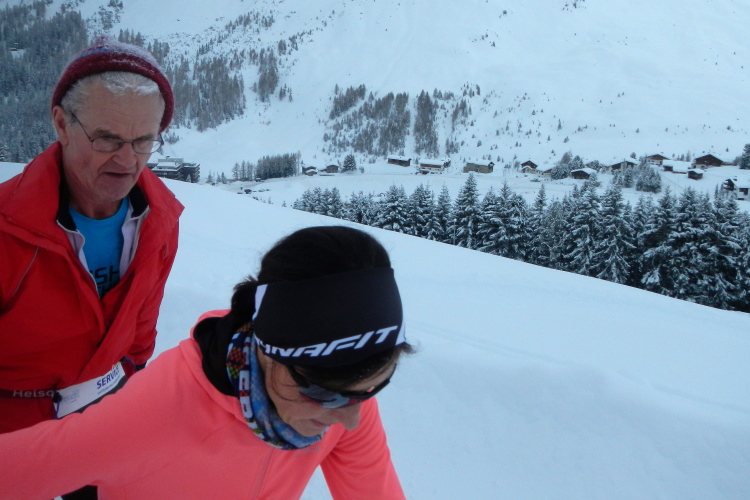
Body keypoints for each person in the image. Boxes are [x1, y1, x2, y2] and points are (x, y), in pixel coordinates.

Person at [0, 225, 413, 499]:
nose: (351, 420)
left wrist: (343, 393)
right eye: (322, 393)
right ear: (270, 351)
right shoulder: (160, 409)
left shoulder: (346, 393)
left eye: (374, 387)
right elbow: (21, 469)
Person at [0, 39, 182, 435]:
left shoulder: (161, 221)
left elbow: (139, 336)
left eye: (143, 140)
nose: (127, 160)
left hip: (102, 424)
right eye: (107, 138)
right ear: (62, 124)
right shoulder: (8, 229)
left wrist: (124, 394)